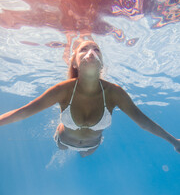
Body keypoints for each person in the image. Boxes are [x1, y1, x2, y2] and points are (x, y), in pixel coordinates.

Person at [0, 40, 180, 158]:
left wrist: (175, 142)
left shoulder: (114, 93)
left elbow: (144, 122)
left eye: (96, 49)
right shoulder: (62, 90)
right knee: (62, 150)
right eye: (83, 49)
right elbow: (22, 113)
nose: (91, 52)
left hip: (92, 146)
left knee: (85, 155)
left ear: (101, 61)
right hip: (62, 140)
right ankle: (60, 125)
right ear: (75, 63)